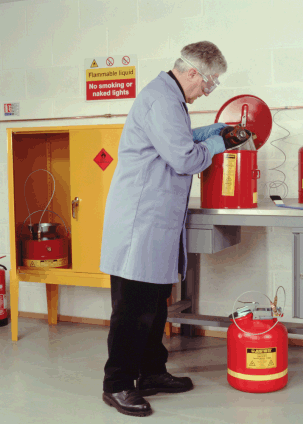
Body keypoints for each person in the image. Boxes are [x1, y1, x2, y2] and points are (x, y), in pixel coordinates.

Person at [100, 41, 228, 418]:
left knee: (155, 305)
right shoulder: (162, 100)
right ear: (193, 73)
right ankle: (118, 384)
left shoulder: (169, 100)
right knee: (132, 308)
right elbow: (183, 157)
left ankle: (152, 373)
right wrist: (218, 143)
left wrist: (209, 131)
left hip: (156, 220)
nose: (208, 90)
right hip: (141, 221)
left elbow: (176, 139)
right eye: (210, 83)